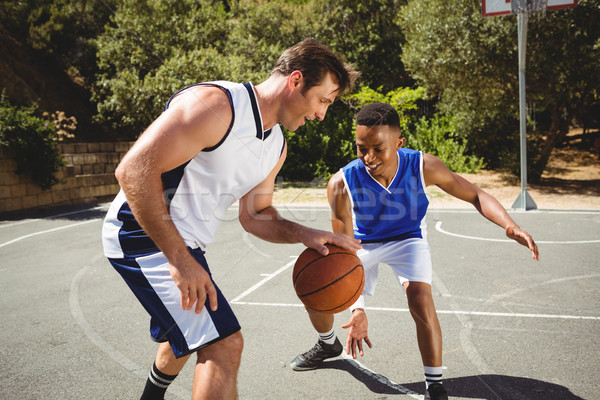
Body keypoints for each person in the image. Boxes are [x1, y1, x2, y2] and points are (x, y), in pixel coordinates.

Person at [101, 38, 361, 400]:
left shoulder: (276, 146)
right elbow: (132, 172)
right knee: (224, 346)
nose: (321, 115)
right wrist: (180, 261)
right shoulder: (216, 105)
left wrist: (306, 234)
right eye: (323, 101)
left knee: (191, 337)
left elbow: (256, 215)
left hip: (185, 245)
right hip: (140, 236)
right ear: (296, 80)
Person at [290, 102, 540, 400]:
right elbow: (343, 249)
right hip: (361, 244)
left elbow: (475, 194)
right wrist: (357, 308)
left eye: (378, 148)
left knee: (420, 299)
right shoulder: (340, 183)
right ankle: (327, 342)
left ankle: (434, 385)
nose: (368, 157)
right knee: (317, 290)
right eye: (361, 148)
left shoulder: (423, 166)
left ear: (399, 143)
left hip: (407, 240)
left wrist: (509, 225)